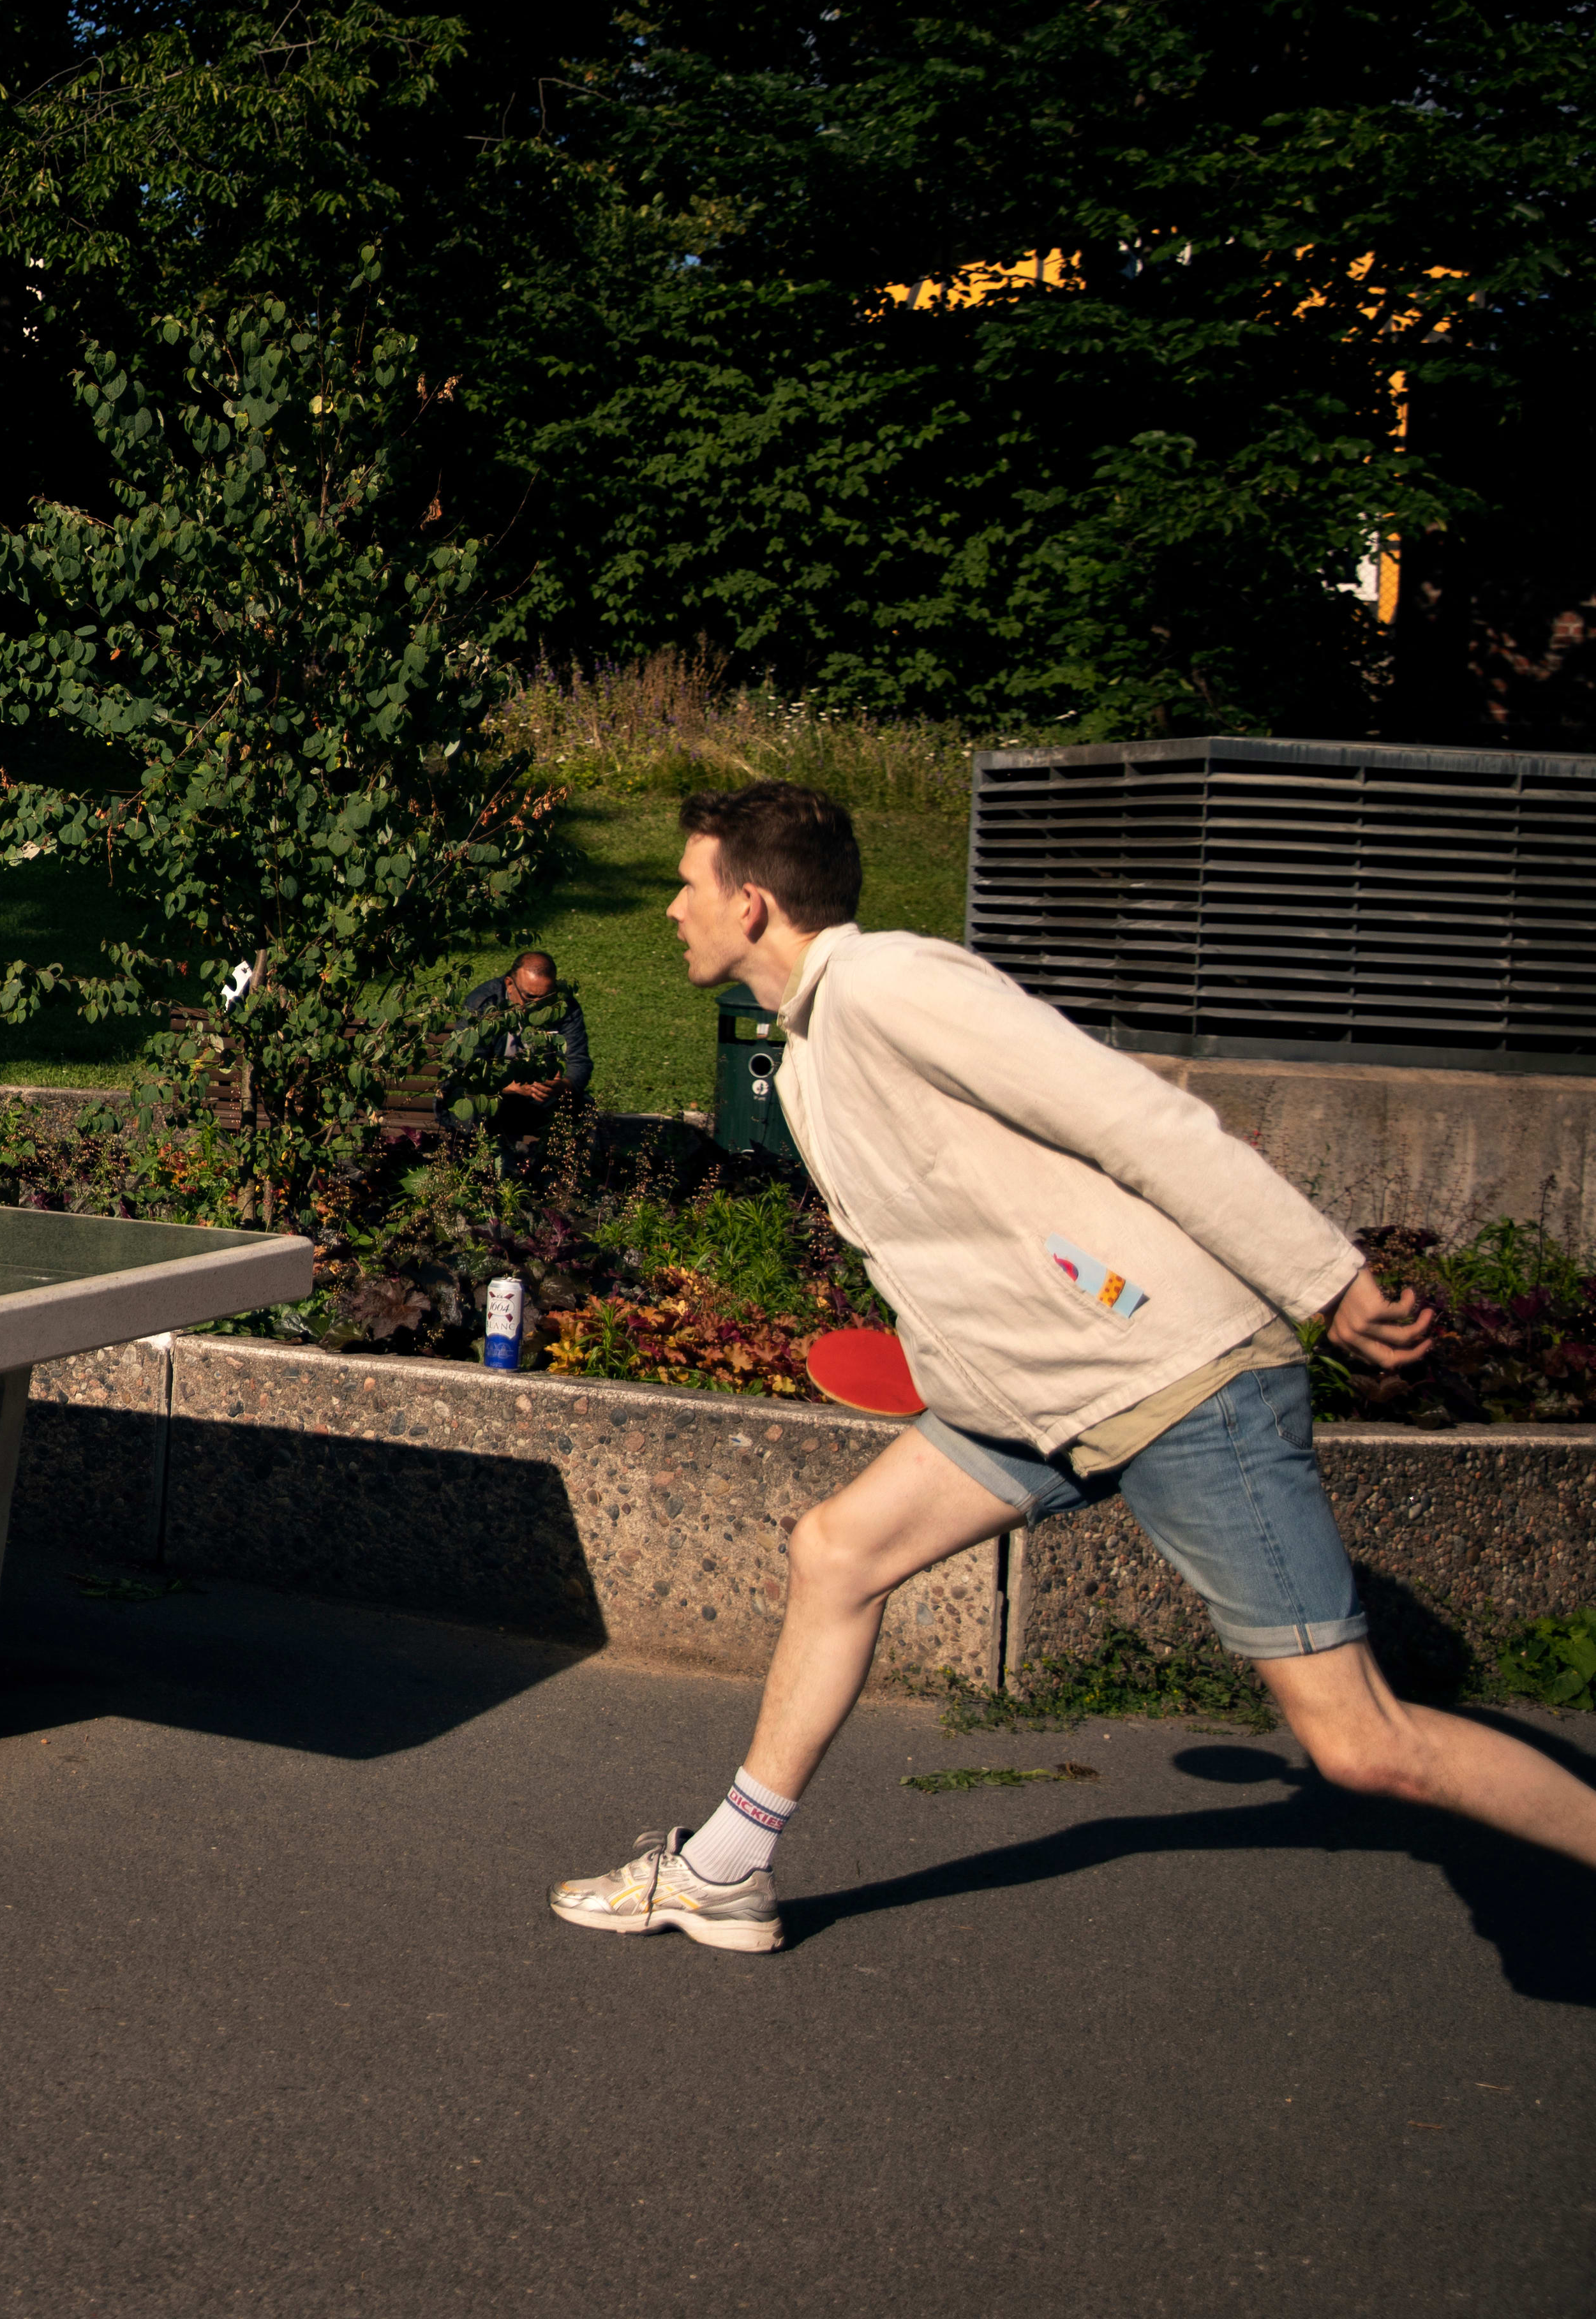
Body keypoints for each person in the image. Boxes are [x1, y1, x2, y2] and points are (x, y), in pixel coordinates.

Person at [549, 781, 1596, 1952]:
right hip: (1040, 1394)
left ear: (750, 905)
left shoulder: (895, 985)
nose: (670, 911)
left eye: (686, 886)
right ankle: (726, 1872)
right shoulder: (813, 1040)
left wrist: (1324, 1278)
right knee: (837, 1552)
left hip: (1174, 1378)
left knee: (1362, 1747)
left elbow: (1131, 1117)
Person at [445, 948, 589, 1153]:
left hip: (539, 1099)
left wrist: (563, 1084)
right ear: (510, 984)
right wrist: (510, 1086)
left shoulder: (564, 1007)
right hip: (493, 1095)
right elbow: (466, 1069)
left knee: (583, 1106)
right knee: (469, 1101)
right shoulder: (484, 1004)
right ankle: (472, 1168)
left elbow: (580, 1062)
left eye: (546, 997)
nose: (538, 1006)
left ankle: (563, 1175)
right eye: (530, 997)